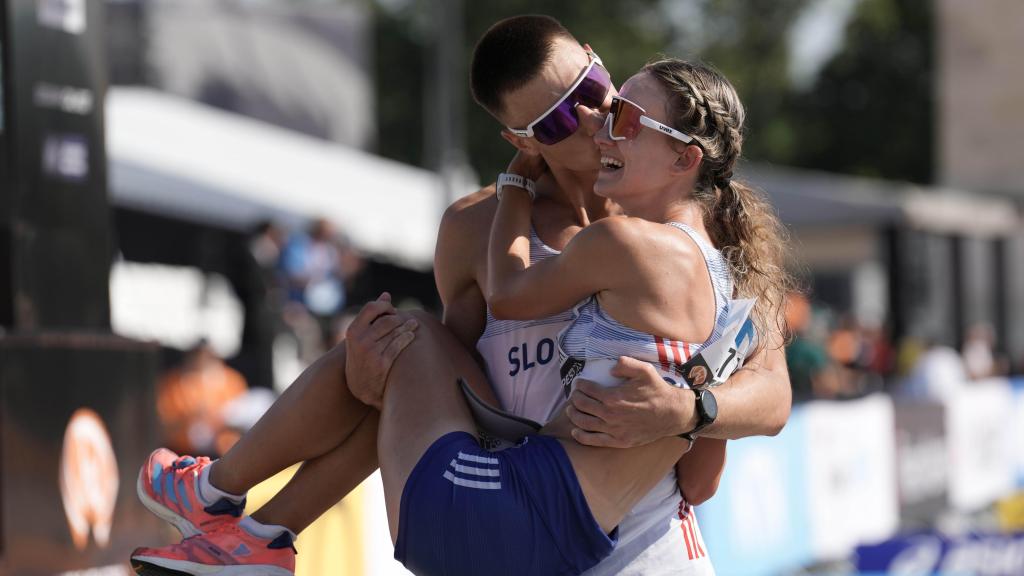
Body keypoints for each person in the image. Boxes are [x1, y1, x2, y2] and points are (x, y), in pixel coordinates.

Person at [130, 16, 791, 576]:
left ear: (602, 66)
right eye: (559, 118)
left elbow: (770, 395)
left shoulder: (699, 227)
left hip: (647, 553)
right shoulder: (475, 230)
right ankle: (246, 528)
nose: (591, 119)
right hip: (523, 533)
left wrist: (688, 408)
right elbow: (449, 397)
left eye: (594, 90)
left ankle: (230, 510)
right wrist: (374, 383)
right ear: (522, 142)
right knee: (393, 342)